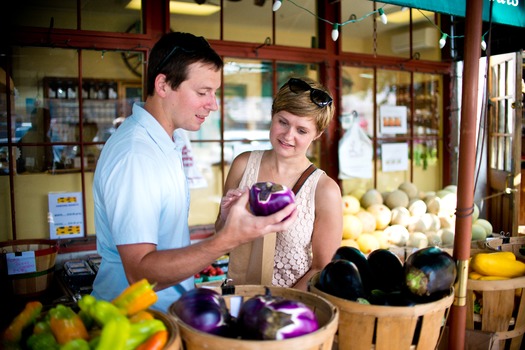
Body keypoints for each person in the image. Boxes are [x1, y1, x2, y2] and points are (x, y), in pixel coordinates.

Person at [91, 32, 297, 312]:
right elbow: (140, 273)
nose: (213, 104)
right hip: (136, 321)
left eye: (215, 93)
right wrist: (227, 239)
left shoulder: (165, 141)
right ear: (163, 84)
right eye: (203, 93)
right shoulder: (136, 155)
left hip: (167, 310)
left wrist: (225, 221)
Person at [215, 77, 343, 291]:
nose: (288, 135)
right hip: (238, 297)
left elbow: (321, 267)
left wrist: (280, 306)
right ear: (272, 116)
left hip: (290, 309)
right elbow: (219, 234)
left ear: (317, 134)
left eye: (302, 130)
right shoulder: (243, 164)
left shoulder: (324, 190)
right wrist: (226, 218)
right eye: (282, 122)